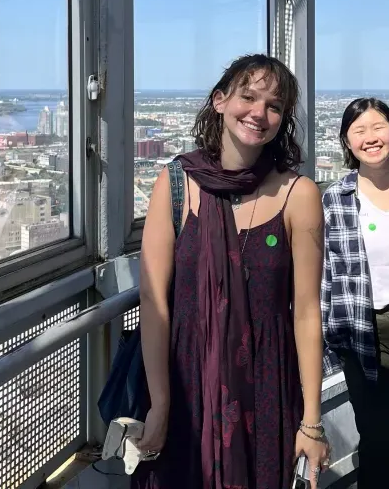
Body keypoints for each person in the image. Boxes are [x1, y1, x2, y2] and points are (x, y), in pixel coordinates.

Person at [133, 54, 330, 489]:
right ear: (220, 101)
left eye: (274, 105)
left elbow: (306, 312)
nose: (259, 113)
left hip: (266, 387)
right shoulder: (177, 182)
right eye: (248, 97)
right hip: (187, 384)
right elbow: (153, 299)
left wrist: (312, 422)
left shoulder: (299, 195)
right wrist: (161, 402)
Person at [321, 98, 389, 489]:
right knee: (379, 436)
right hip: (363, 327)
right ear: (347, 142)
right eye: (359, 131)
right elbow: (326, 274)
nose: (370, 138)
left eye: (377, 127)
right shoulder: (336, 199)